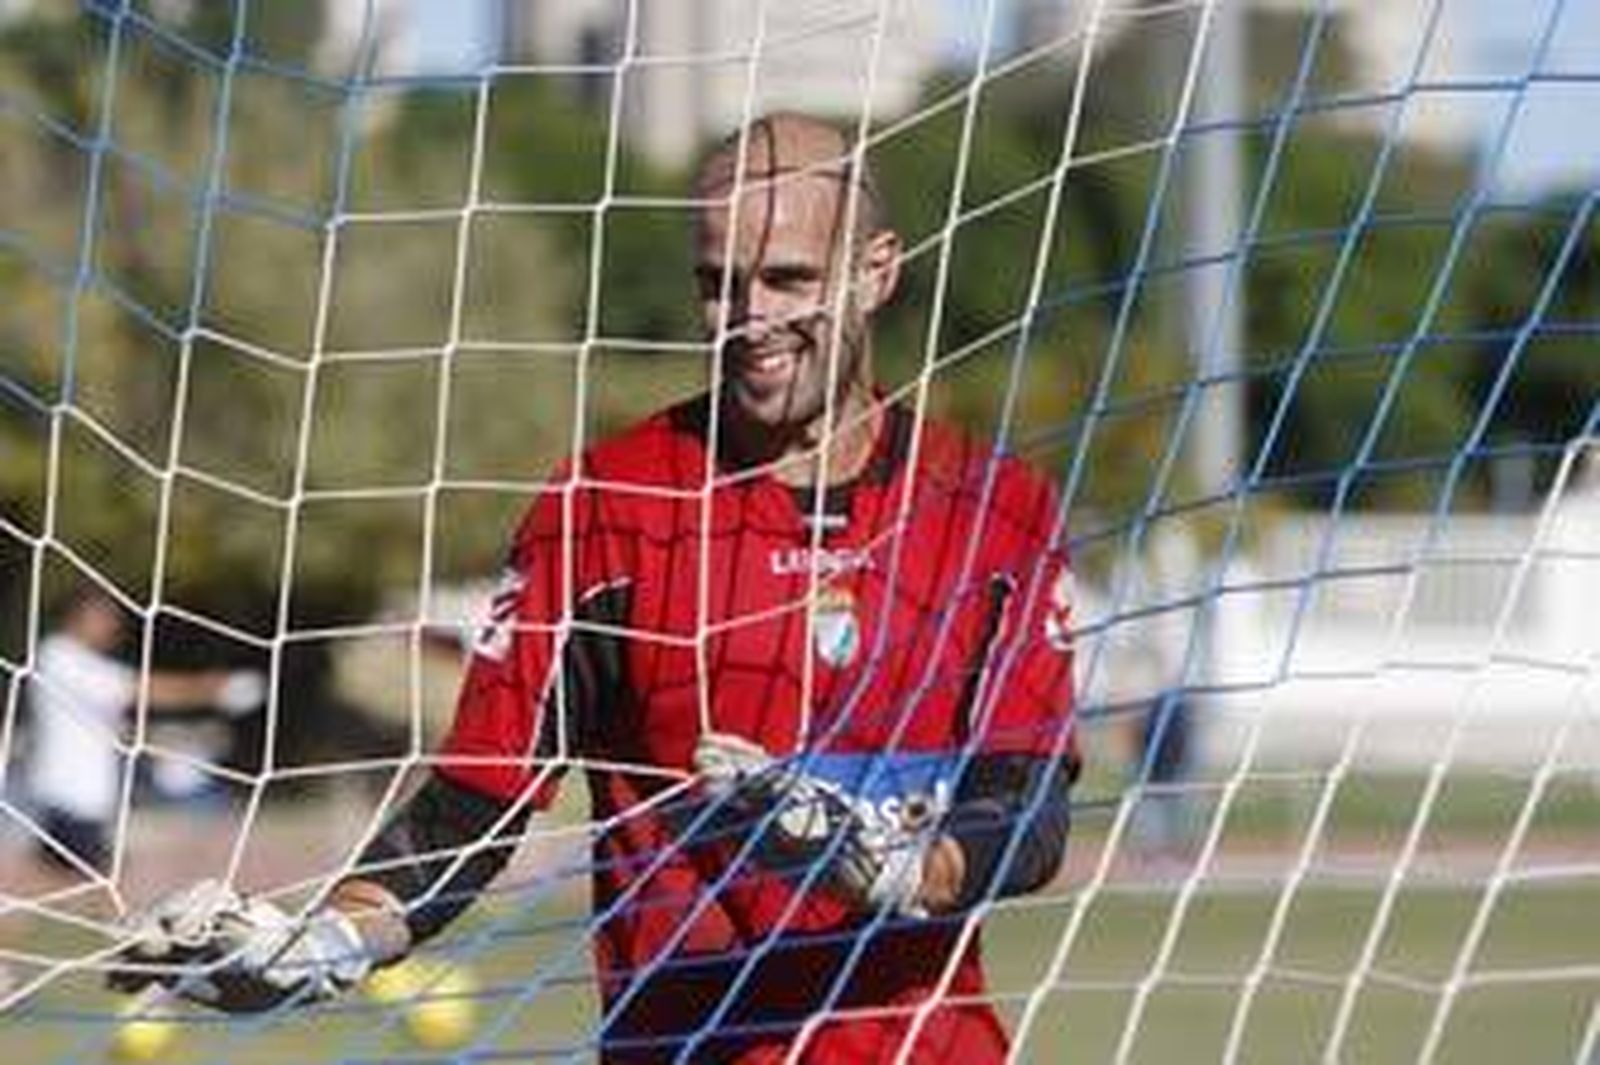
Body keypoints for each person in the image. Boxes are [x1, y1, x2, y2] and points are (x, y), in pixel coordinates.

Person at [111, 112, 1082, 1062]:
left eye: (788, 279)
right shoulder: (606, 503)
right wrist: (323, 943)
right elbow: (473, 803)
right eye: (717, 285)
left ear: (877, 271)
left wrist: (899, 868)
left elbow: (1026, 807)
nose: (749, 320)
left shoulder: (995, 507)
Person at [14, 586, 264, 879]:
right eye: (103, 617)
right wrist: (216, 689)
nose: (111, 626)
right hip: (65, 795)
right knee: (94, 882)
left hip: (88, 798)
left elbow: (116, 717)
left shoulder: (82, 662)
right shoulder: (59, 656)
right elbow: (142, 690)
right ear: (77, 616)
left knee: (70, 882)